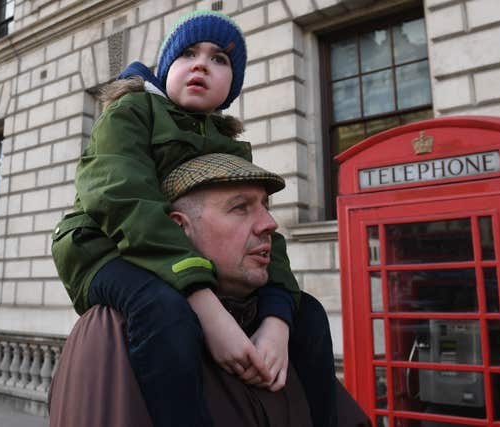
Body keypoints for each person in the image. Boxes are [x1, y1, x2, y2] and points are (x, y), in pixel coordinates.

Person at [51, 10, 335, 427]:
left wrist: (277, 318)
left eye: (220, 59)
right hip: (101, 249)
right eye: (187, 53)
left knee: (308, 313)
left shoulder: (230, 147)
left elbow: (260, 229)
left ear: (230, 87)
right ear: (166, 69)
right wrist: (206, 306)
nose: (202, 63)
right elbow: (123, 198)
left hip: (174, 260)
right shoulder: (131, 112)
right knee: (161, 308)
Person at [49, 154, 347, 427]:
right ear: (179, 228)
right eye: (240, 207)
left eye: (265, 207)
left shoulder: (293, 325)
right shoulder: (113, 330)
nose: (269, 224)